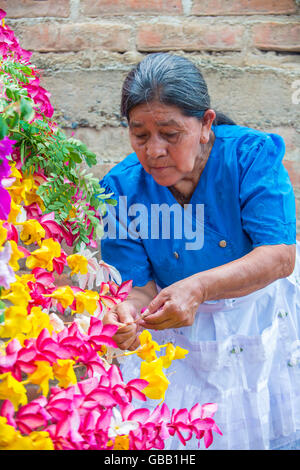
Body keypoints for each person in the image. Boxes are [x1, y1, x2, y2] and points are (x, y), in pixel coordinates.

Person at [100, 52, 300, 450]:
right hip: (179, 331)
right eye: (139, 134)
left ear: (206, 124)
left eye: (170, 134)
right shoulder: (120, 189)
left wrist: (199, 288)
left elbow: (279, 255)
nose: (153, 150)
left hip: (258, 313)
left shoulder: (251, 155)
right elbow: (136, 287)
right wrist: (128, 312)